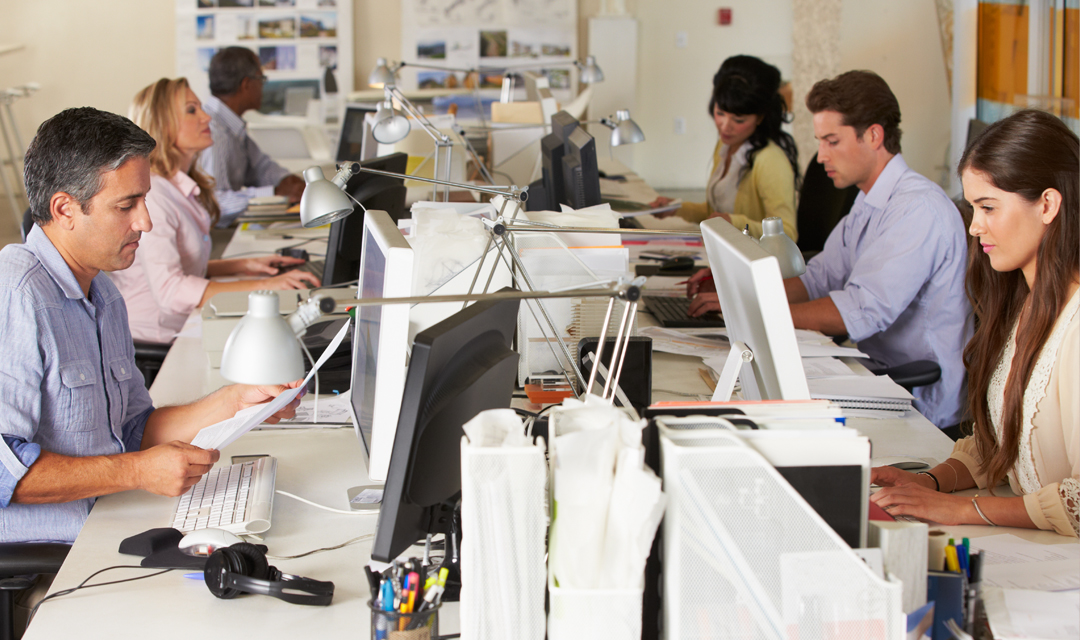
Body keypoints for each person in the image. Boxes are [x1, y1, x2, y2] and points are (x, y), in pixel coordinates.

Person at [0, 107, 303, 545]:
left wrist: (237, 401)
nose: (145, 221)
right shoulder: (17, 294)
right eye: (126, 206)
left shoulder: (102, 293)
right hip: (61, 553)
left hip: (112, 514)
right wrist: (138, 470)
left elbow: (132, 430)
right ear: (64, 209)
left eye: (144, 200)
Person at [689, 70, 972, 431]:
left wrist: (758, 312)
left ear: (873, 135)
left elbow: (860, 311)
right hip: (873, 374)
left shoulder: (918, 209)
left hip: (918, 400)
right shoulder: (871, 200)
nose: (821, 157)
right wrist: (739, 292)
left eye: (832, 141)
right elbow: (818, 277)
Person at [871, 110, 1078, 537]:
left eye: (987, 207)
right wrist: (931, 481)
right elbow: (1006, 442)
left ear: (1047, 205)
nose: (974, 227)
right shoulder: (1026, 301)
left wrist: (964, 510)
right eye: (971, 208)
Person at [111, 78, 319, 344]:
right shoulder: (155, 195)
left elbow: (183, 264)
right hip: (158, 339)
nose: (206, 117)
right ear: (164, 124)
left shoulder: (179, 186)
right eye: (191, 110)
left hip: (184, 324)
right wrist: (265, 287)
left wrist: (246, 265)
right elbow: (171, 290)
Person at [652, 55, 800, 240]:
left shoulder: (770, 161)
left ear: (760, 117)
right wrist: (676, 208)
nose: (724, 126)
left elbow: (787, 233)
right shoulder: (726, 145)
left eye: (739, 120)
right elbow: (717, 213)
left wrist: (736, 224)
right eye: (720, 113)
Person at [200, 47, 307, 225]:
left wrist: (287, 181)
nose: (263, 86)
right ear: (246, 84)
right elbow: (214, 202)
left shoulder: (231, 126)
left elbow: (259, 168)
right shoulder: (215, 133)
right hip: (214, 234)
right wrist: (275, 192)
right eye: (261, 79)